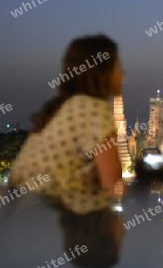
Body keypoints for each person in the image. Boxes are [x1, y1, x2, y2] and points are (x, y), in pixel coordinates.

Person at [10, 34, 125, 214]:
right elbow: (113, 183)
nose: (122, 73)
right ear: (103, 73)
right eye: (117, 67)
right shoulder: (94, 108)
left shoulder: (57, 109)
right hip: (48, 219)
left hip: (18, 216)